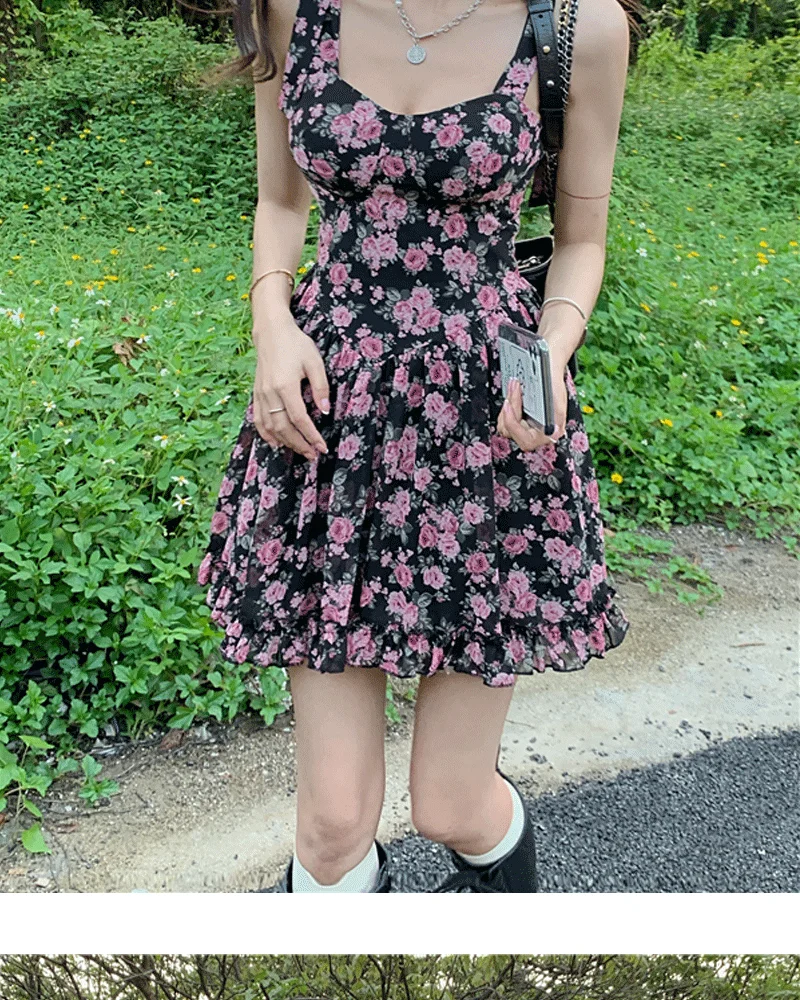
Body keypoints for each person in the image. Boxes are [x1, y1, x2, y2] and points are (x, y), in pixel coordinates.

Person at [197, 0, 632, 892]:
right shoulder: (293, 8)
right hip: (331, 419)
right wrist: (271, 321)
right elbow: (280, 199)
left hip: (487, 430)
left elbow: (581, 240)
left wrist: (550, 353)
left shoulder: (577, 26)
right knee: (331, 825)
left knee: (451, 803)